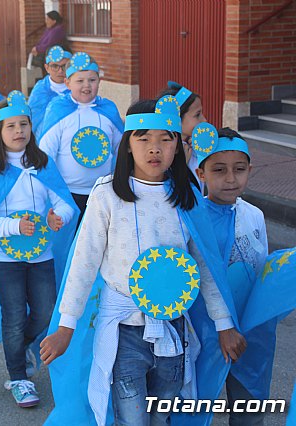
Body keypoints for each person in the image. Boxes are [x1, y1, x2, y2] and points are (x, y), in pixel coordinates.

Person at [39, 97, 246, 425]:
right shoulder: (106, 193)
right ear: (127, 144)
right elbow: (84, 261)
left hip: (173, 328)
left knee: (163, 415)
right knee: (132, 419)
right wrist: (66, 326)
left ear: (178, 146)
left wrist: (224, 325)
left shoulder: (187, 196)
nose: (155, 148)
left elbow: (204, 267)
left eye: (166, 138)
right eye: (144, 138)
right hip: (124, 331)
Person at [0, 91, 77, 408]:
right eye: (11, 126)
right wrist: (14, 227)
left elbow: (64, 203)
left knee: (45, 311)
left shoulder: (42, 165)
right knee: (14, 315)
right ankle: (18, 376)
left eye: (24, 124)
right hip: (3, 259)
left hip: (40, 254)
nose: (19, 131)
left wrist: (60, 217)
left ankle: (22, 347)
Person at [192, 125, 269, 426]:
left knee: (249, 405)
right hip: (205, 329)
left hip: (250, 329)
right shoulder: (193, 218)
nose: (230, 179)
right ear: (201, 174)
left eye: (239, 169)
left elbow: (261, 269)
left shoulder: (254, 215)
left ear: (250, 169)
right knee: (197, 404)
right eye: (219, 170)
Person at [39, 52, 123, 225]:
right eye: (80, 81)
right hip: (67, 196)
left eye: (92, 80)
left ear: (99, 81)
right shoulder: (58, 110)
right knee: (71, 244)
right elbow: (46, 155)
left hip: (103, 193)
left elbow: (121, 149)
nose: (87, 86)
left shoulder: (108, 110)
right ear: (67, 83)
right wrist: (55, 195)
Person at [159, 82, 207, 191]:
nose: (204, 120)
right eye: (197, 114)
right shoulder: (161, 153)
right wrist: (180, 165)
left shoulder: (195, 147)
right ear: (177, 119)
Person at [27, 45, 71, 137]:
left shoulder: (77, 88)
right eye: (55, 66)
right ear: (47, 68)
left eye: (64, 66)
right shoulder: (40, 90)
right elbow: (33, 119)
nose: (60, 71)